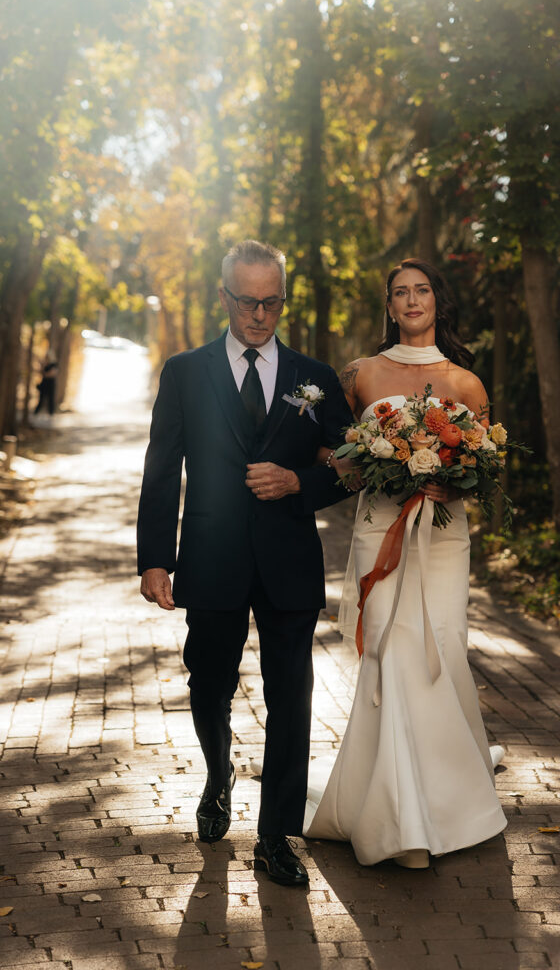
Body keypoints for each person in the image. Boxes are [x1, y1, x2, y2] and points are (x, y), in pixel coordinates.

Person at [137, 240, 353, 886]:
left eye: (272, 302)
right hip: (210, 555)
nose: (260, 315)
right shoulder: (185, 372)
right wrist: (154, 559)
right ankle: (217, 770)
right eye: (247, 301)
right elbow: (160, 467)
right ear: (224, 295)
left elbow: (353, 463)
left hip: (289, 557)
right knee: (208, 682)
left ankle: (275, 837)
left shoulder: (314, 377)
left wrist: (299, 485)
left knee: (292, 698)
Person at [305, 258, 507, 868]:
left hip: (443, 537)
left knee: (439, 650)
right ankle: (398, 819)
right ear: (389, 307)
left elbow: (489, 468)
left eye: (422, 291)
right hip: (379, 528)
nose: (412, 300)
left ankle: (444, 797)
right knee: (389, 650)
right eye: (400, 292)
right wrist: (368, 461)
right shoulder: (360, 374)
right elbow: (329, 449)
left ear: (436, 303)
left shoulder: (466, 383)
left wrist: (455, 484)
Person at [34, 350, 58, 415]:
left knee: (51, 399)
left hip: (51, 383)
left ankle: (51, 413)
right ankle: (36, 413)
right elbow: (40, 372)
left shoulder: (53, 364)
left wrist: (45, 373)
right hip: (44, 383)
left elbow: (52, 374)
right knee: (41, 399)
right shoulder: (45, 364)